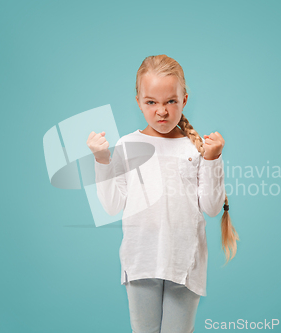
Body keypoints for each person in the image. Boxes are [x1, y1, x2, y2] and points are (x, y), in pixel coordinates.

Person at [86, 54, 239, 333]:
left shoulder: (195, 148)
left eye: (171, 101)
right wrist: (101, 160)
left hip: (185, 262)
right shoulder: (128, 145)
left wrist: (213, 159)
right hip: (141, 259)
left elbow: (213, 207)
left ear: (184, 100)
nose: (162, 111)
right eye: (151, 102)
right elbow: (111, 206)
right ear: (138, 102)